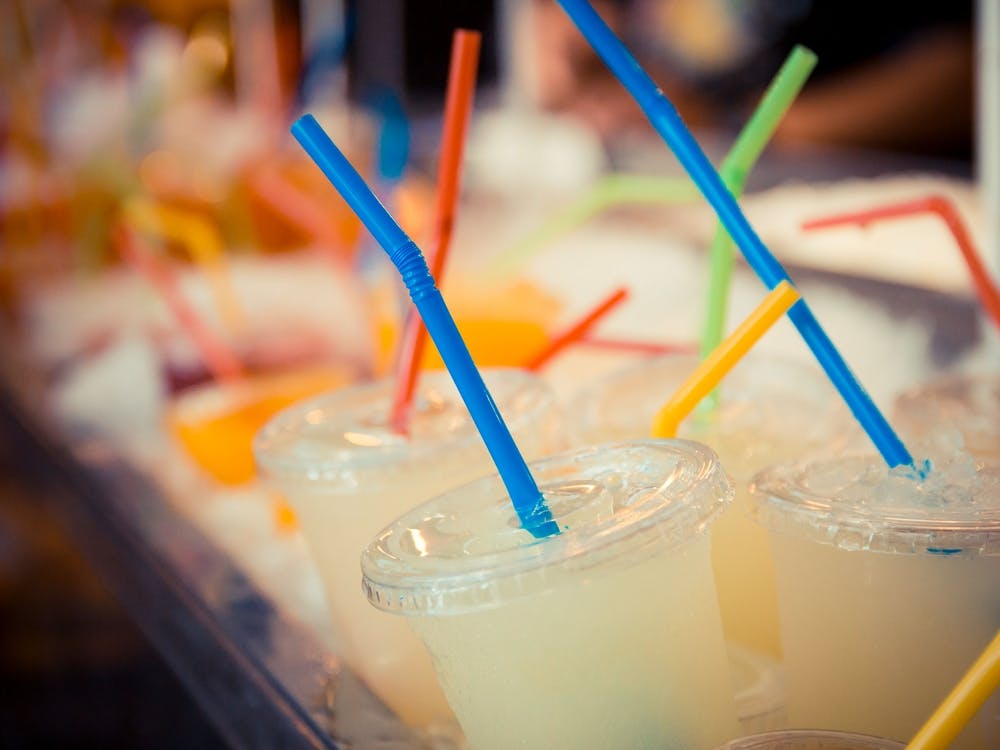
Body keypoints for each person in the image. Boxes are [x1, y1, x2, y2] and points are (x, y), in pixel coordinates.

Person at [527, 0, 975, 159]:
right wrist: (574, 52)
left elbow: (964, 76)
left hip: (831, 193)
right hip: (639, 183)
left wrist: (731, 124)